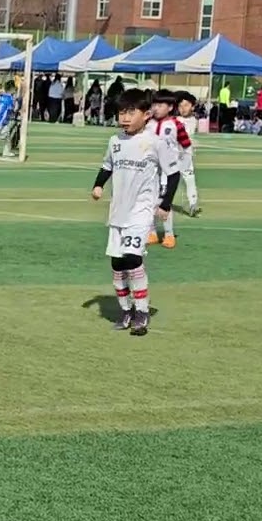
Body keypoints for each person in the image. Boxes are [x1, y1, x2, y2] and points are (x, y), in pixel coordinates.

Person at [90, 89, 180, 336]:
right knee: (117, 263)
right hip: (117, 212)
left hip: (140, 213)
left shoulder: (155, 142)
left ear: (147, 115)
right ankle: (126, 310)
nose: (125, 118)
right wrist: (98, 184)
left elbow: (173, 174)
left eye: (131, 112)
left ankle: (141, 311)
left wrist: (165, 204)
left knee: (132, 259)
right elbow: (107, 165)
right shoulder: (115, 141)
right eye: (121, 112)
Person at [148, 89, 192, 248]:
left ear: (170, 107)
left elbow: (186, 145)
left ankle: (169, 234)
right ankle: (151, 232)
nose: (156, 108)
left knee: (164, 201)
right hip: (150, 169)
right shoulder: (148, 123)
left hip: (168, 170)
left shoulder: (176, 124)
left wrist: (184, 164)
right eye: (154, 104)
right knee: (149, 200)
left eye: (160, 105)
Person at [176, 91, 201, 218]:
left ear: (192, 106)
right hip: (172, 156)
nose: (183, 108)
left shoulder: (194, 120)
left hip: (185, 156)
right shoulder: (175, 120)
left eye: (186, 105)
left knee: (190, 179)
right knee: (165, 180)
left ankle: (192, 204)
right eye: (180, 106)